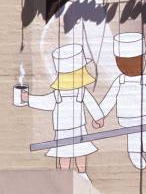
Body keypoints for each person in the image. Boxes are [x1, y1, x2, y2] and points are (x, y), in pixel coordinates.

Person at [22, 44, 104, 182]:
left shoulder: (81, 91)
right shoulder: (57, 94)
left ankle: (82, 174)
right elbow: (44, 102)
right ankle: (65, 177)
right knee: (65, 155)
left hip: (79, 129)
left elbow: (92, 104)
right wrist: (28, 99)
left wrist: (98, 117)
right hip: (62, 132)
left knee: (80, 152)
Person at [100, 32, 146, 170]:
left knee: (140, 134)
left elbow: (109, 99)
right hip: (135, 117)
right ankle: (141, 155)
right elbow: (110, 99)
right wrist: (99, 115)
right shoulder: (126, 81)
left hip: (135, 117)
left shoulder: (145, 79)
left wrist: (99, 115)